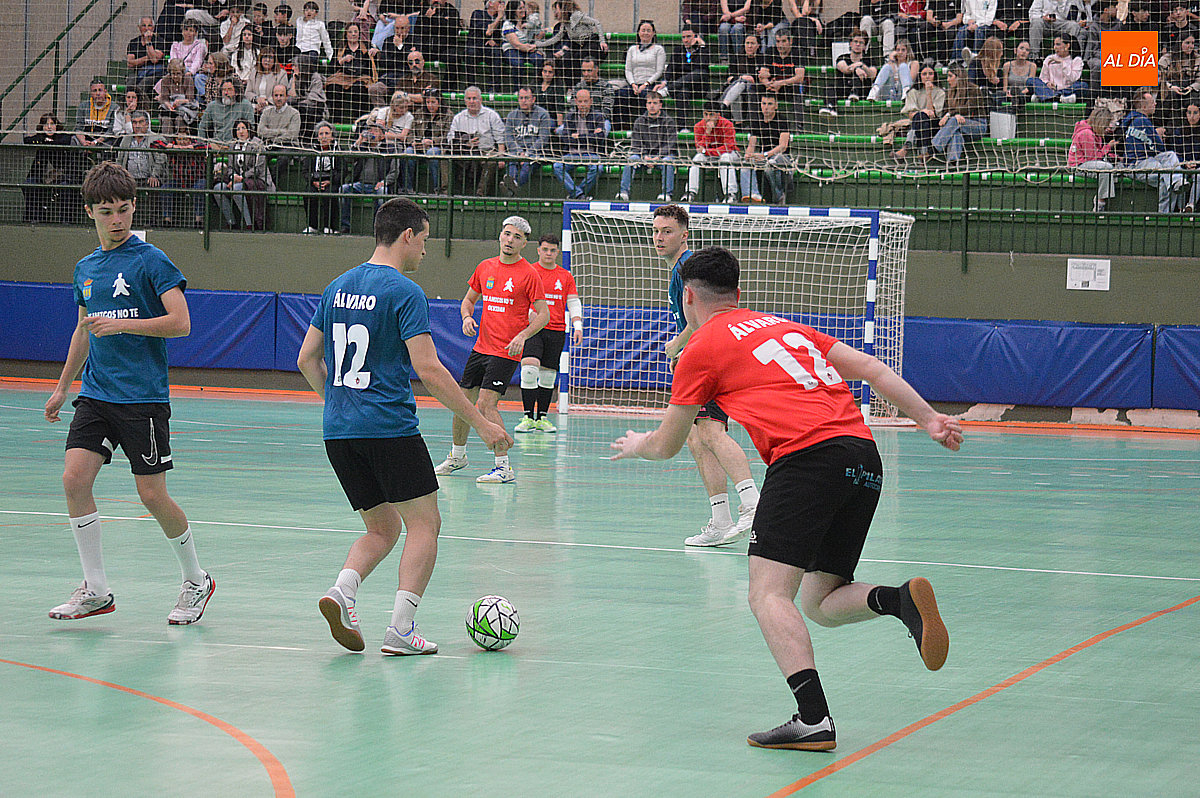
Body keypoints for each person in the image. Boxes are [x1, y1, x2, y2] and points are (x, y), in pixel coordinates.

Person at [609, 245, 961, 750]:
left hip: (806, 461)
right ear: (738, 292)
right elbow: (870, 367)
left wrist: (637, 444)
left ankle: (813, 719)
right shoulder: (785, 327)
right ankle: (899, 601)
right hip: (863, 457)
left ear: (687, 297)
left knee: (768, 594)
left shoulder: (700, 348)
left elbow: (667, 445)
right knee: (819, 600)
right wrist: (929, 419)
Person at [297, 197, 512, 655]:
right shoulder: (404, 292)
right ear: (407, 235)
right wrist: (481, 423)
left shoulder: (337, 286)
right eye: (425, 240)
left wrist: (339, 403)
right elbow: (429, 369)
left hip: (339, 432)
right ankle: (401, 628)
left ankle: (342, 591)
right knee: (425, 524)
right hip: (389, 428)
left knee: (381, 529)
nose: (425, 251)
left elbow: (306, 359)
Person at [43, 161, 216, 626]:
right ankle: (96, 589)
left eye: (123, 209)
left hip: (143, 398)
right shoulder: (85, 268)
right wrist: (62, 388)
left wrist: (122, 325)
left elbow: (181, 323)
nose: (116, 219)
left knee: (152, 495)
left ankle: (196, 580)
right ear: (89, 213)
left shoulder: (151, 261)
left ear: (134, 207)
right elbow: (83, 330)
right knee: (74, 481)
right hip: (97, 395)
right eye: (106, 211)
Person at [653, 205, 760, 546]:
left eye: (667, 231)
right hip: (703, 354)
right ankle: (721, 521)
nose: (659, 237)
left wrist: (678, 346)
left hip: (709, 356)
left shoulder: (688, 269)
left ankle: (752, 503)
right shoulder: (678, 270)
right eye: (656, 230)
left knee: (711, 432)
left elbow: (703, 320)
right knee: (697, 438)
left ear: (684, 235)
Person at [434, 216, 549, 483]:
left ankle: (503, 466)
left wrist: (523, 335)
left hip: (506, 350)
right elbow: (468, 301)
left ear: (524, 243)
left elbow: (544, 315)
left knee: (486, 405)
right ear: (500, 235)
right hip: (481, 348)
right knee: (462, 403)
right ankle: (457, 456)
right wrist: (466, 317)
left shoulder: (529, 274)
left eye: (517, 237)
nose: (510, 240)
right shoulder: (485, 267)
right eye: (507, 234)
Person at [514, 234, 582, 432]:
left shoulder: (565, 276)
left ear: (557, 252)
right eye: (545, 249)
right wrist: (528, 314)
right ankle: (527, 417)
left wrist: (577, 326)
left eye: (552, 250)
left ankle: (542, 418)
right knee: (529, 369)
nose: (549, 253)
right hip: (533, 329)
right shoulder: (530, 271)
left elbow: (573, 301)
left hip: (556, 330)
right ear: (538, 250)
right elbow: (519, 298)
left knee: (547, 376)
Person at [1121, 89, 1187, 212]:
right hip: (1136, 165)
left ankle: (1177, 184)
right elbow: (1159, 148)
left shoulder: (1133, 120)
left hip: (1145, 161)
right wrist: (1157, 134)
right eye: (1152, 102)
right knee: (1166, 174)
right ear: (1144, 106)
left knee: (1169, 157)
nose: (1155, 104)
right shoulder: (1142, 121)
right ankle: (1169, 211)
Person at [617, 90, 678, 201]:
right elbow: (636, 144)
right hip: (643, 156)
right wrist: (645, 156)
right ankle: (623, 192)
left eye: (655, 103)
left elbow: (670, 144)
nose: (652, 106)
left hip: (663, 156)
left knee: (668, 162)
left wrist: (658, 157)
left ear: (660, 105)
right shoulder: (639, 121)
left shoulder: (669, 121)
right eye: (649, 103)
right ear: (646, 105)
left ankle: (666, 194)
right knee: (631, 159)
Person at [339, 121, 398, 234]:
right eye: (370, 130)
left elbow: (394, 171)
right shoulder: (363, 147)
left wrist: (384, 182)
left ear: (382, 136)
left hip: (378, 184)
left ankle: (378, 228)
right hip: (360, 184)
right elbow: (348, 159)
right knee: (344, 189)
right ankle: (345, 226)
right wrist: (359, 141)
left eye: (375, 131)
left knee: (382, 192)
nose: (371, 133)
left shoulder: (389, 149)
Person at [215, 118, 275, 229]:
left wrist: (241, 178)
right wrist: (233, 176)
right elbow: (230, 167)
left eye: (243, 128)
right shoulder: (233, 145)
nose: (241, 131)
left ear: (249, 130)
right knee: (218, 188)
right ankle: (231, 221)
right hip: (237, 179)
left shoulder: (257, 143)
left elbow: (258, 168)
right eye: (238, 129)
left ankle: (249, 223)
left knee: (236, 188)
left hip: (257, 179)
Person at [447, 86, 507, 196]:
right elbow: (451, 139)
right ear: (465, 100)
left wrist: (501, 156)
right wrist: (465, 143)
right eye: (469, 98)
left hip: (486, 151)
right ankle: (447, 193)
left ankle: (480, 195)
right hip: (464, 152)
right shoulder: (458, 118)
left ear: (481, 99)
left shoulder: (491, 115)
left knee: (491, 162)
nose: (471, 101)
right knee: (445, 158)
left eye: (474, 98)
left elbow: (500, 138)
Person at [552, 88, 609, 199]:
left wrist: (578, 137)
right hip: (572, 153)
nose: (583, 104)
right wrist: (589, 136)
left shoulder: (598, 116)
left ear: (591, 101)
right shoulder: (570, 116)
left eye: (585, 101)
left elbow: (600, 138)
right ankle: (579, 195)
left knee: (598, 168)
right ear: (576, 102)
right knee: (557, 166)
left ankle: (576, 194)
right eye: (580, 101)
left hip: (591, 153)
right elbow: (566, 139)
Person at [683, 100, 741, 204]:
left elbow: (728, 147)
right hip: (710, 155)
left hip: (730, 154)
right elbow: (699, 147)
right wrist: (708, 133)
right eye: (706, 114)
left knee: (725, 158)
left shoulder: (727, 124)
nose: (708, 118)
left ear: (718, 115)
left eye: (711, 114)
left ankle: (731, 194)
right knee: (697, 158)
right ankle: (690, 193)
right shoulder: (698, 126)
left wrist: (707, 151)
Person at [22, 113, 76, 224]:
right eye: (46, 124)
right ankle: (33, 218)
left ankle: (65, 221)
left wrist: (49, 142)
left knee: (65, 187)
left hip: (61, 176)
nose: (49, 127)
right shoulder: (40, 138)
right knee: (30, 183)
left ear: (57, 126)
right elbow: (27, 140)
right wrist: (45, 140)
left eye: (52, 124)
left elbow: (66, 140)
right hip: (40, 176)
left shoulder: (63, 137)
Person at [115, 111, 168, 221]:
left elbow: (161, 160)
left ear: (147, 124)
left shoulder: (156, 138)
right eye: (134, 122)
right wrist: (121, 177)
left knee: (154, 185)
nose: (137, 125)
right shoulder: (126, 139)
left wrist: (154, 175)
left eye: (141, 122)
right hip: (129, 178)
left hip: (149, 177)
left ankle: (153, 221)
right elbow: (120, 160)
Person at [741, 92, 792, 203]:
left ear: (776, 106)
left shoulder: (783, 121)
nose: (766, 107)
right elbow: (752, 144)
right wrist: (748, 155)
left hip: (782, 158)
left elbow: (783, 146)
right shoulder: (757, 121)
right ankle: (752, 195)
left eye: (770, 104)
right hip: (764, 157)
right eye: (764, 104)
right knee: (746, 165)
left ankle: (778, 196)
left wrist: (765, 155)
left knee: (771, 164)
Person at [616, 20, 667, 129]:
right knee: (620, 95)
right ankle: (622, 128)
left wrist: (646, 84)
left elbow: (659, 71)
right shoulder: (632, 49)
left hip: (650, 84)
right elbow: (628, 70)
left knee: (646, 96)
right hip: (634, 84)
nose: (645, 33)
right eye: (643, 30)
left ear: (653, 33)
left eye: (649, 30)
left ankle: (645, 128)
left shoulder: (659, 49)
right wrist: (633, 84)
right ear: (639, 32)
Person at [503, 86, 553, 195]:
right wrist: (520, 153)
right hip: (517, 152)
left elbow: (543, 138)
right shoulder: (512, 115)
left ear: (533, 99)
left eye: (526, 98)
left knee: (527, 164)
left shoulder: (543, 114)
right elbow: (508, 138)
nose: (523, 101)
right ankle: (512, 185)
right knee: (512, 161)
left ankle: (511, 187)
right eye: (521, 98)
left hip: (535, 153)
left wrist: (527, 154)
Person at [1068, 105, 1118, 210]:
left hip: (1088, 163)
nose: (1107, 129)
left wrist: (1114, 157)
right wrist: (1108, 147)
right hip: (1078, 166)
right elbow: (1093, 157)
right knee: (1106, 168)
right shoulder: (1086, 133)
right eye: (1106, 126)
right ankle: (1100, 202)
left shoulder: (1094, 133)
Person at [892, 63, 945, 162]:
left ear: (935, 76)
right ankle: (923, 152)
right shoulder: (913, 92)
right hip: (917, 123)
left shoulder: (940, 93)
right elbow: (911, 115)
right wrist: (922, 112)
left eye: (930, 74)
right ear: (920, 76)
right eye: (924, 74)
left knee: (922, 117)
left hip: (933, 125)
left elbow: (933, 115)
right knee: (920, 117)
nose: (927, 77)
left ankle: (905, 149)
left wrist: (929, 93)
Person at [326, 22, 378, 121]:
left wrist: (375, 53)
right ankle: (336, 120)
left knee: (358, 88)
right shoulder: (340, 48)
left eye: (355, 32)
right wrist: (342, 61)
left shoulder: (366, 47)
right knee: (333, 88)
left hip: (360, 77)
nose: (353, 34)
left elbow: (371, 66)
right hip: (343, 77)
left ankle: (358, 120)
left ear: (359, 34)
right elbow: (331, 68)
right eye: (350, 32)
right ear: (346, 34)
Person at [409, 88, 452, 194]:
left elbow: (448, 136)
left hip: (437, 147)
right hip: (419, 146)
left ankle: (437, 189)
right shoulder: (419, 113)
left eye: (433, 102)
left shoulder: (448, 115)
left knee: (432, 152)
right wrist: (414, 141)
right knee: (408, 152)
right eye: (428, 102)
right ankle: (408, 189)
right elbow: (410, 133)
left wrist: (432, 141)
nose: (430, 105)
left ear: (439, 102)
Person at [720, 32, 769, 123]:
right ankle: (739, 122)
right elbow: (729, 77)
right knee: (741, 85)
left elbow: (762, 77)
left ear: (758, 45)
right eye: (747, 43)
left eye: (752, 43)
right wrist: (743, 78)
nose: (749, 46)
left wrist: (748, 79)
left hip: (755, 87)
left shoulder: (762, 59)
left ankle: (725, 105)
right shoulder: (737, 57)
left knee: (744, 85)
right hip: (737, 86)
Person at [827, 29, 877, 115]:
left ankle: (855, 93)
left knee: (858, 73)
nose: (858, 44)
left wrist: (862, 66)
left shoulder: (869, 60)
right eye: (855, 41)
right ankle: (830, 108)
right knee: (829, 87)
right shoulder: (842, 57)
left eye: (861, 42)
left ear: (865, 47)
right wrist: (856, 68)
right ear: (850, 43)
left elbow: (872, 74)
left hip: (862, 92)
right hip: (844, 90)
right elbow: (844, 68)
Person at [304, 121, 343, 233]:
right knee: (308, 193)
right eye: (321, 134)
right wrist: (313, 181)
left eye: (327, 133)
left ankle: (329, 226)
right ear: (317, 137)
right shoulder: (312, 150)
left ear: (332, 137)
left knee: (330, 193)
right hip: (315, 181)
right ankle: (313, 226)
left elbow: (342, 170)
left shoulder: (338, 150)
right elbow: (305, 171)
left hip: (332, 181)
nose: (324, 137)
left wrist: (330, 181)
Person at [501, 0, 545, 89]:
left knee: (539, 59)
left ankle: (537, 87)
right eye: (520, 8)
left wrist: (540, 33)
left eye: (524, 7)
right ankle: (518, 90)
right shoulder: (508, 24)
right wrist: (531, 47)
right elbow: (516, 44)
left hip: (528, 48)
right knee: (518, 63)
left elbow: (538, 32)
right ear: (513, 10)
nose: (523, 10)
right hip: (512, 49)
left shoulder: (528, 22)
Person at [660, 26, 712, 102]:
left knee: (700, 72)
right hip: (681, 87)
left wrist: (702, 46)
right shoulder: (678, 50)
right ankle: (671, 89)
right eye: (683, 37)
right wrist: (664, 82)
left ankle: (669, 89)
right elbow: (671, 68)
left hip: (697, 88)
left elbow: (701, 67)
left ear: (696, 37)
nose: (685, 40)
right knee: (682, 92)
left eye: (688, 37)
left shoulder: (704, 50)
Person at [1029, 35, 1088, 102]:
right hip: (1049, 89)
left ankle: (1049, 96)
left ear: (1067, 46)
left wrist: (1063, 63)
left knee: (1083, 85)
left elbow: (1072, 79)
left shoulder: (1076, 60)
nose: (1055, 47)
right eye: (1054, 45)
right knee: (1031, 81)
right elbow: (1043, 78)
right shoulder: (1049, 58)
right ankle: (1057, 97)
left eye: (1058, 44)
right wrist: (1047, 83)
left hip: (1067, 89)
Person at [294, 1, 335, 86]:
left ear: (316, 13)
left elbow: (326, 40)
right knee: (297, 61)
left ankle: (307, 85)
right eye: (306, 10)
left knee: (307, 62)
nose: (308, 12)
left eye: (312, 10)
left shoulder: (319, 24)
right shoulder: (299, 21)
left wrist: (331, 56)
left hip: (312, 51)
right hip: (299, 49)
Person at [1169, 101, 1200, 211]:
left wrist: (1196, 163)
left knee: (1199, 176)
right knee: (1181, 178)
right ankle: (1181, 208)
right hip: (1183, 165)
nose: (1192, 116)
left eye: (1195, 113)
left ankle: (1190, 205)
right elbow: (1174, 152)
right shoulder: (1179, 131)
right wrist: (1185, 163)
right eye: (1189, 113)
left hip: (1198, 166)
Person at [157, 57, 199, 136]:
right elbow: (164, 98)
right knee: (166, 120)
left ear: (182, 72)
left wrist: (180, 101)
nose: (175, 76)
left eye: (178, 74)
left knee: (179, 120)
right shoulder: (165, 80)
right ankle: (167, 142)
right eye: (173, 74)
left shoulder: (188, 79)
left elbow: (190, 99)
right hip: (169, 109)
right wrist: (169, 105)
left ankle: (181, 141)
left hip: (184, 108)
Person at [245, 47, 293, 112]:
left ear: (274, 60)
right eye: (265, 57)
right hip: (255, 104)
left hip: (273, 105)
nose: (267, 60)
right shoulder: (254, 72)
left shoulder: (281, 74)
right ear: (260, 59)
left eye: (270, 58)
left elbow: (282, 95)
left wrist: (265, 102)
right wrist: (256, 99)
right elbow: (248, 92)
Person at [127, 16, 168, 93]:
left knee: (144, 83)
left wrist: (148, 41)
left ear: (153, 28)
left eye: (149, 25)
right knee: (130, 82)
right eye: (143, 25)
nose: (146, 28)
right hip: (138, 73)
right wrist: (148, 57)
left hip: (155, 73)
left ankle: (140, 100)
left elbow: (154, 60)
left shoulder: (160, 41)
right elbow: (130, 63)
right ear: (139, 27)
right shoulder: (133, 42)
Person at [74, 79, 116, 147]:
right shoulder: (83, 106)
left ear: (105, 91)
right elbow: (78, 128)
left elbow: (111, 131)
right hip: (86, 139)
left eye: (100, 90)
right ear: (91, 93)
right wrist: (84, 142)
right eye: (94, 91)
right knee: (73, 140)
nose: (98, 93)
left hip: (104, 140)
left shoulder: (114, 108)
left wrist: (95, 142)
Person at [1002, 40, 1038, 108]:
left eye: (1027, 50)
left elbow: (1029, 87)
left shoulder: (1032, 66)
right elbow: (1005, 87)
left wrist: (1019, 94)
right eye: (1021, 48)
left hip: (1024, 95)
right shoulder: (1007, 65)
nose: (1024, 51)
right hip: (1010, 95)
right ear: (1015, 50)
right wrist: (1008, 93)